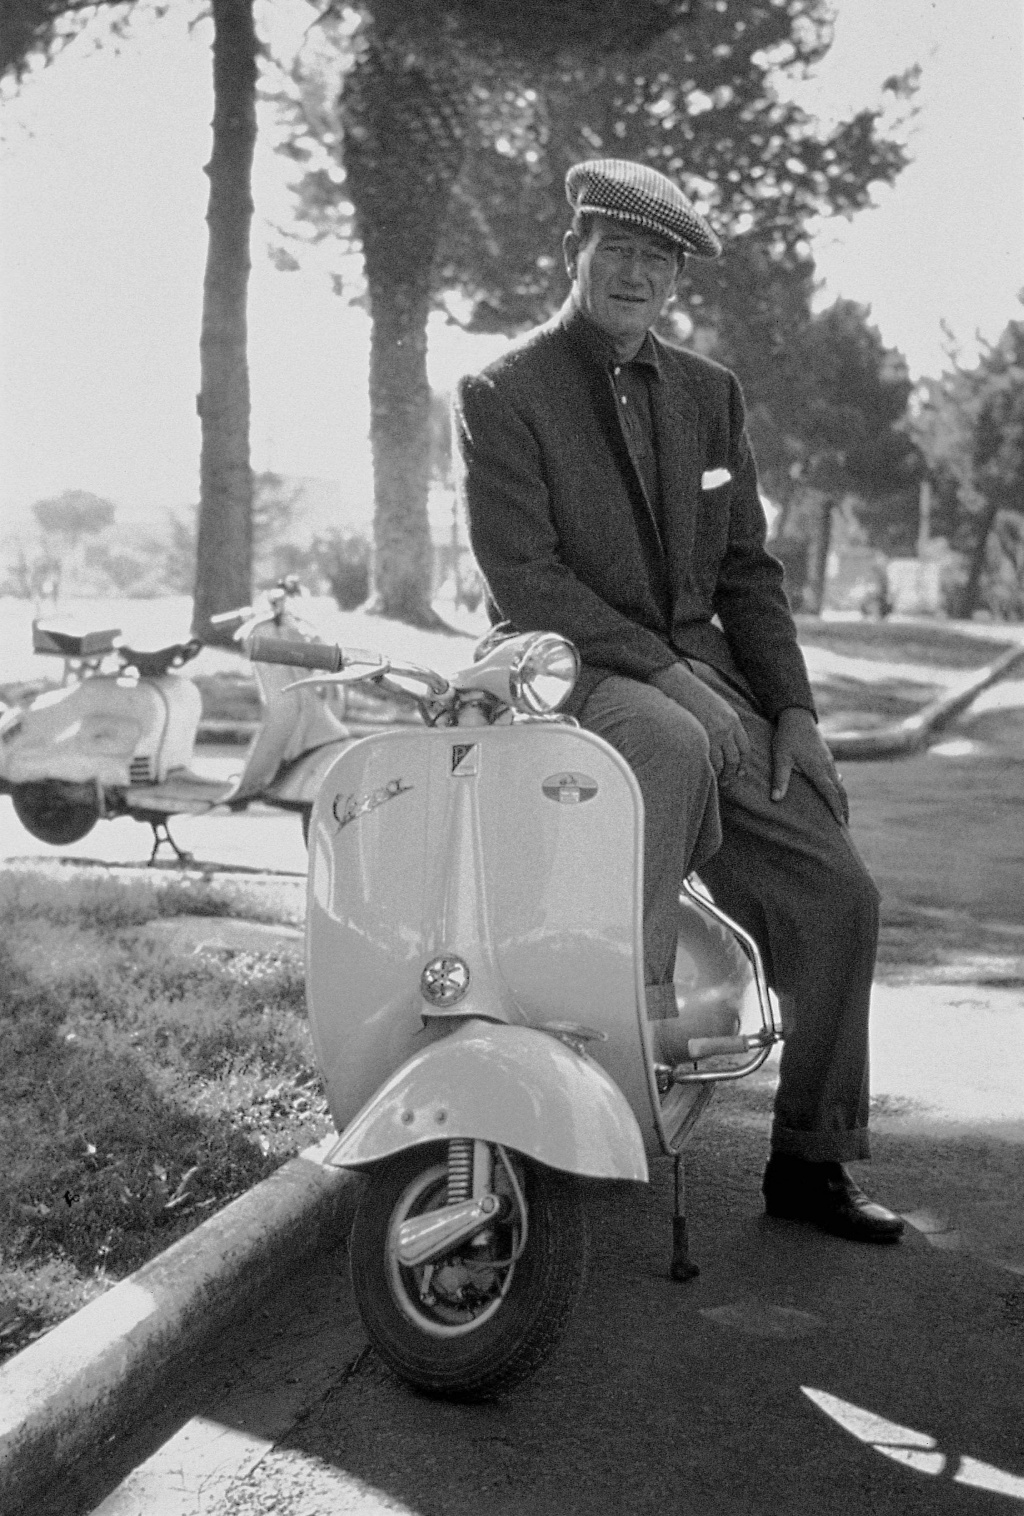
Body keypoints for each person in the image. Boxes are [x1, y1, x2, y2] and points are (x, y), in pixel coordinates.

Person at [453, 158, 904, 1245]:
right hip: (570, 665)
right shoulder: (500, 390)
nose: (639, 272)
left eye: (660, 258)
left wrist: (793, 713)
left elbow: (748, 568)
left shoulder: (710, 393)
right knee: (665, 740)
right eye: (620, 248)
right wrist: (664, 674)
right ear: (574, 254)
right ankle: (618, 1067)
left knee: (840, 892)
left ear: (676, 279)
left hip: (709, 680)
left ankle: (810, 1160)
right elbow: (526, 575)